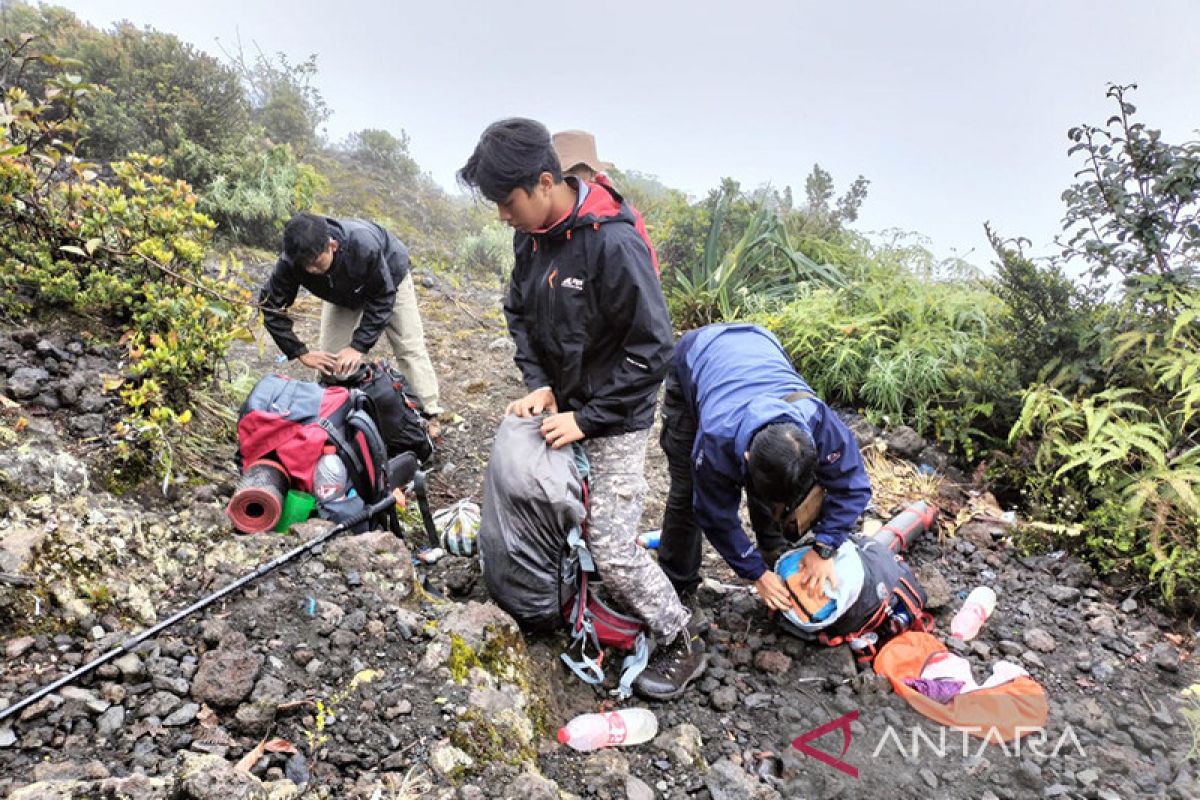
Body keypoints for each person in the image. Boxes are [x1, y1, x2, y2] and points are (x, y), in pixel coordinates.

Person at [458, 117, 706, 700]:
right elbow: (518, 311)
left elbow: (654, 350)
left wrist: (588, 419)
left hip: (616, 416)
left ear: (545, 182)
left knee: (614, 546)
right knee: (547, 501)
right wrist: (540, 382)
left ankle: (679, 640)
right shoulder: (533, 236)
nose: (502, 215)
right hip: (564, 402)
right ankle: (569, 598)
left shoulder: (612, 243)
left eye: (506, 200)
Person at [656, 323, 872, 614]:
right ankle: (677, 589)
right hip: (697, 356)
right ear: (745, 456)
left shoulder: (818, 422)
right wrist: (753, 572)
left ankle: (773, 550)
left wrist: (825, 547)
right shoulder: (716, 439)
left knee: (775, 474)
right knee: (687, 493)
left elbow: (853, 485)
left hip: (759, 344)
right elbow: (713, 513)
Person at [257, 213, 442, 418]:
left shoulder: (364, 245)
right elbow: (269, 306)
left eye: (317, 263)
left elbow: (382, 297)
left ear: (332, 245)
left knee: (409, 348)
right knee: (331, 358)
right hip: (340, 293)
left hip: (389, 278)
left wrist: (358, 346)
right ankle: (329, 410)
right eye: (305, 266)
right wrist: (300, 352)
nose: (311, 269)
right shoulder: (293, 261)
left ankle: (427, 413)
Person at [552, 129, 658, 275]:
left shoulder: (623, 217)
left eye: (573, 176)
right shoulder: (540, 222)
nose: (568, 184)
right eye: (562, 177)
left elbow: (648, 276)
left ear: (593, 174)